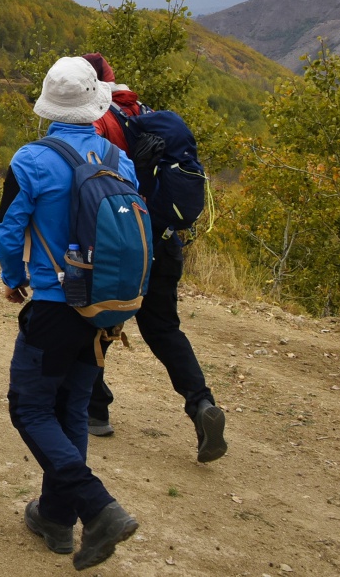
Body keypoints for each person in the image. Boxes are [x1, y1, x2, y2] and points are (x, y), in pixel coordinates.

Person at [0, 56, 141, 569]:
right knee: (73, 408)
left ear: (48, 105)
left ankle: (97, 508)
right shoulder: (117, 158)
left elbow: (9, 228)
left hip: (56, 304)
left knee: (30, 408)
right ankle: (56, 518)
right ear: (94, 103)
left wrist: (13, 277)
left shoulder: (31, 159)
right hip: (103, 308)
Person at [78, 55, 227, 462]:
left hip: (121, 239)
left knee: (98, 318)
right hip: (162, 241)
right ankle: (201, 403)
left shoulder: (99, 122)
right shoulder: (142, 114)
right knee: (163, 329)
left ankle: (95, 409)